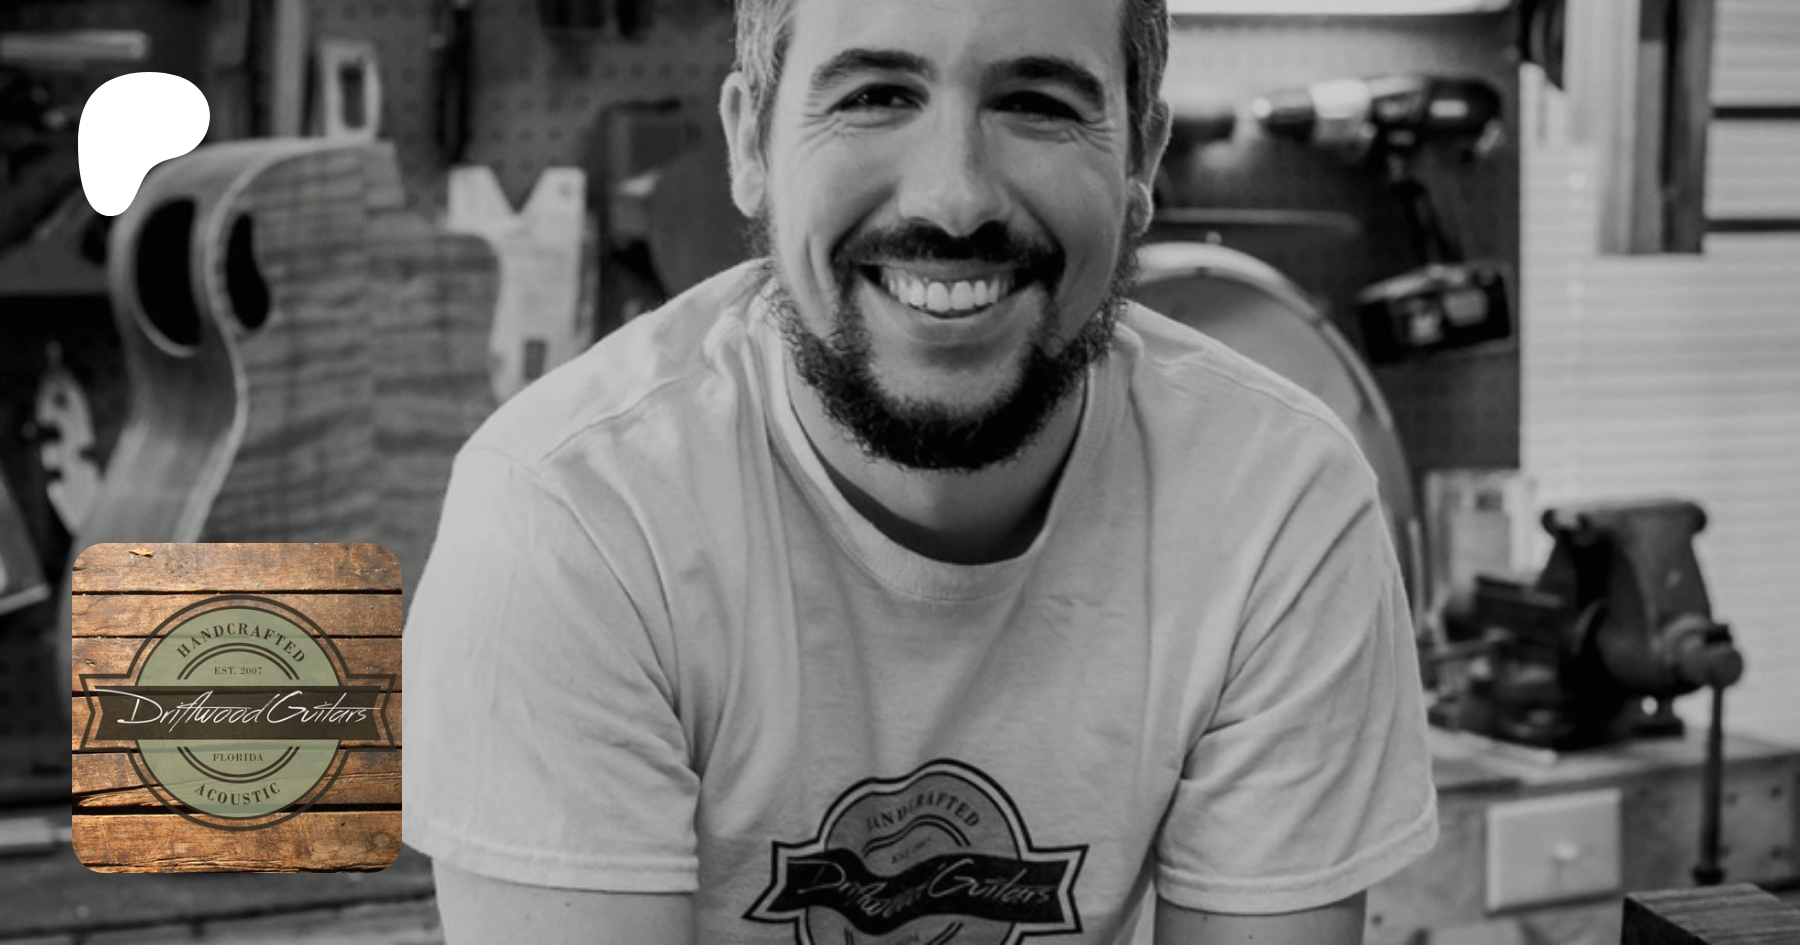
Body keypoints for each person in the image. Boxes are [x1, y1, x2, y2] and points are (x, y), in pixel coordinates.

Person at [401, 0, 1439, 941]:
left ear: (1143, 161)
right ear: (751, 142)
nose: (954, 200)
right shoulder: (573, 515)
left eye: (1037, 104)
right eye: (874, 96)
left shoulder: (1278, 504)